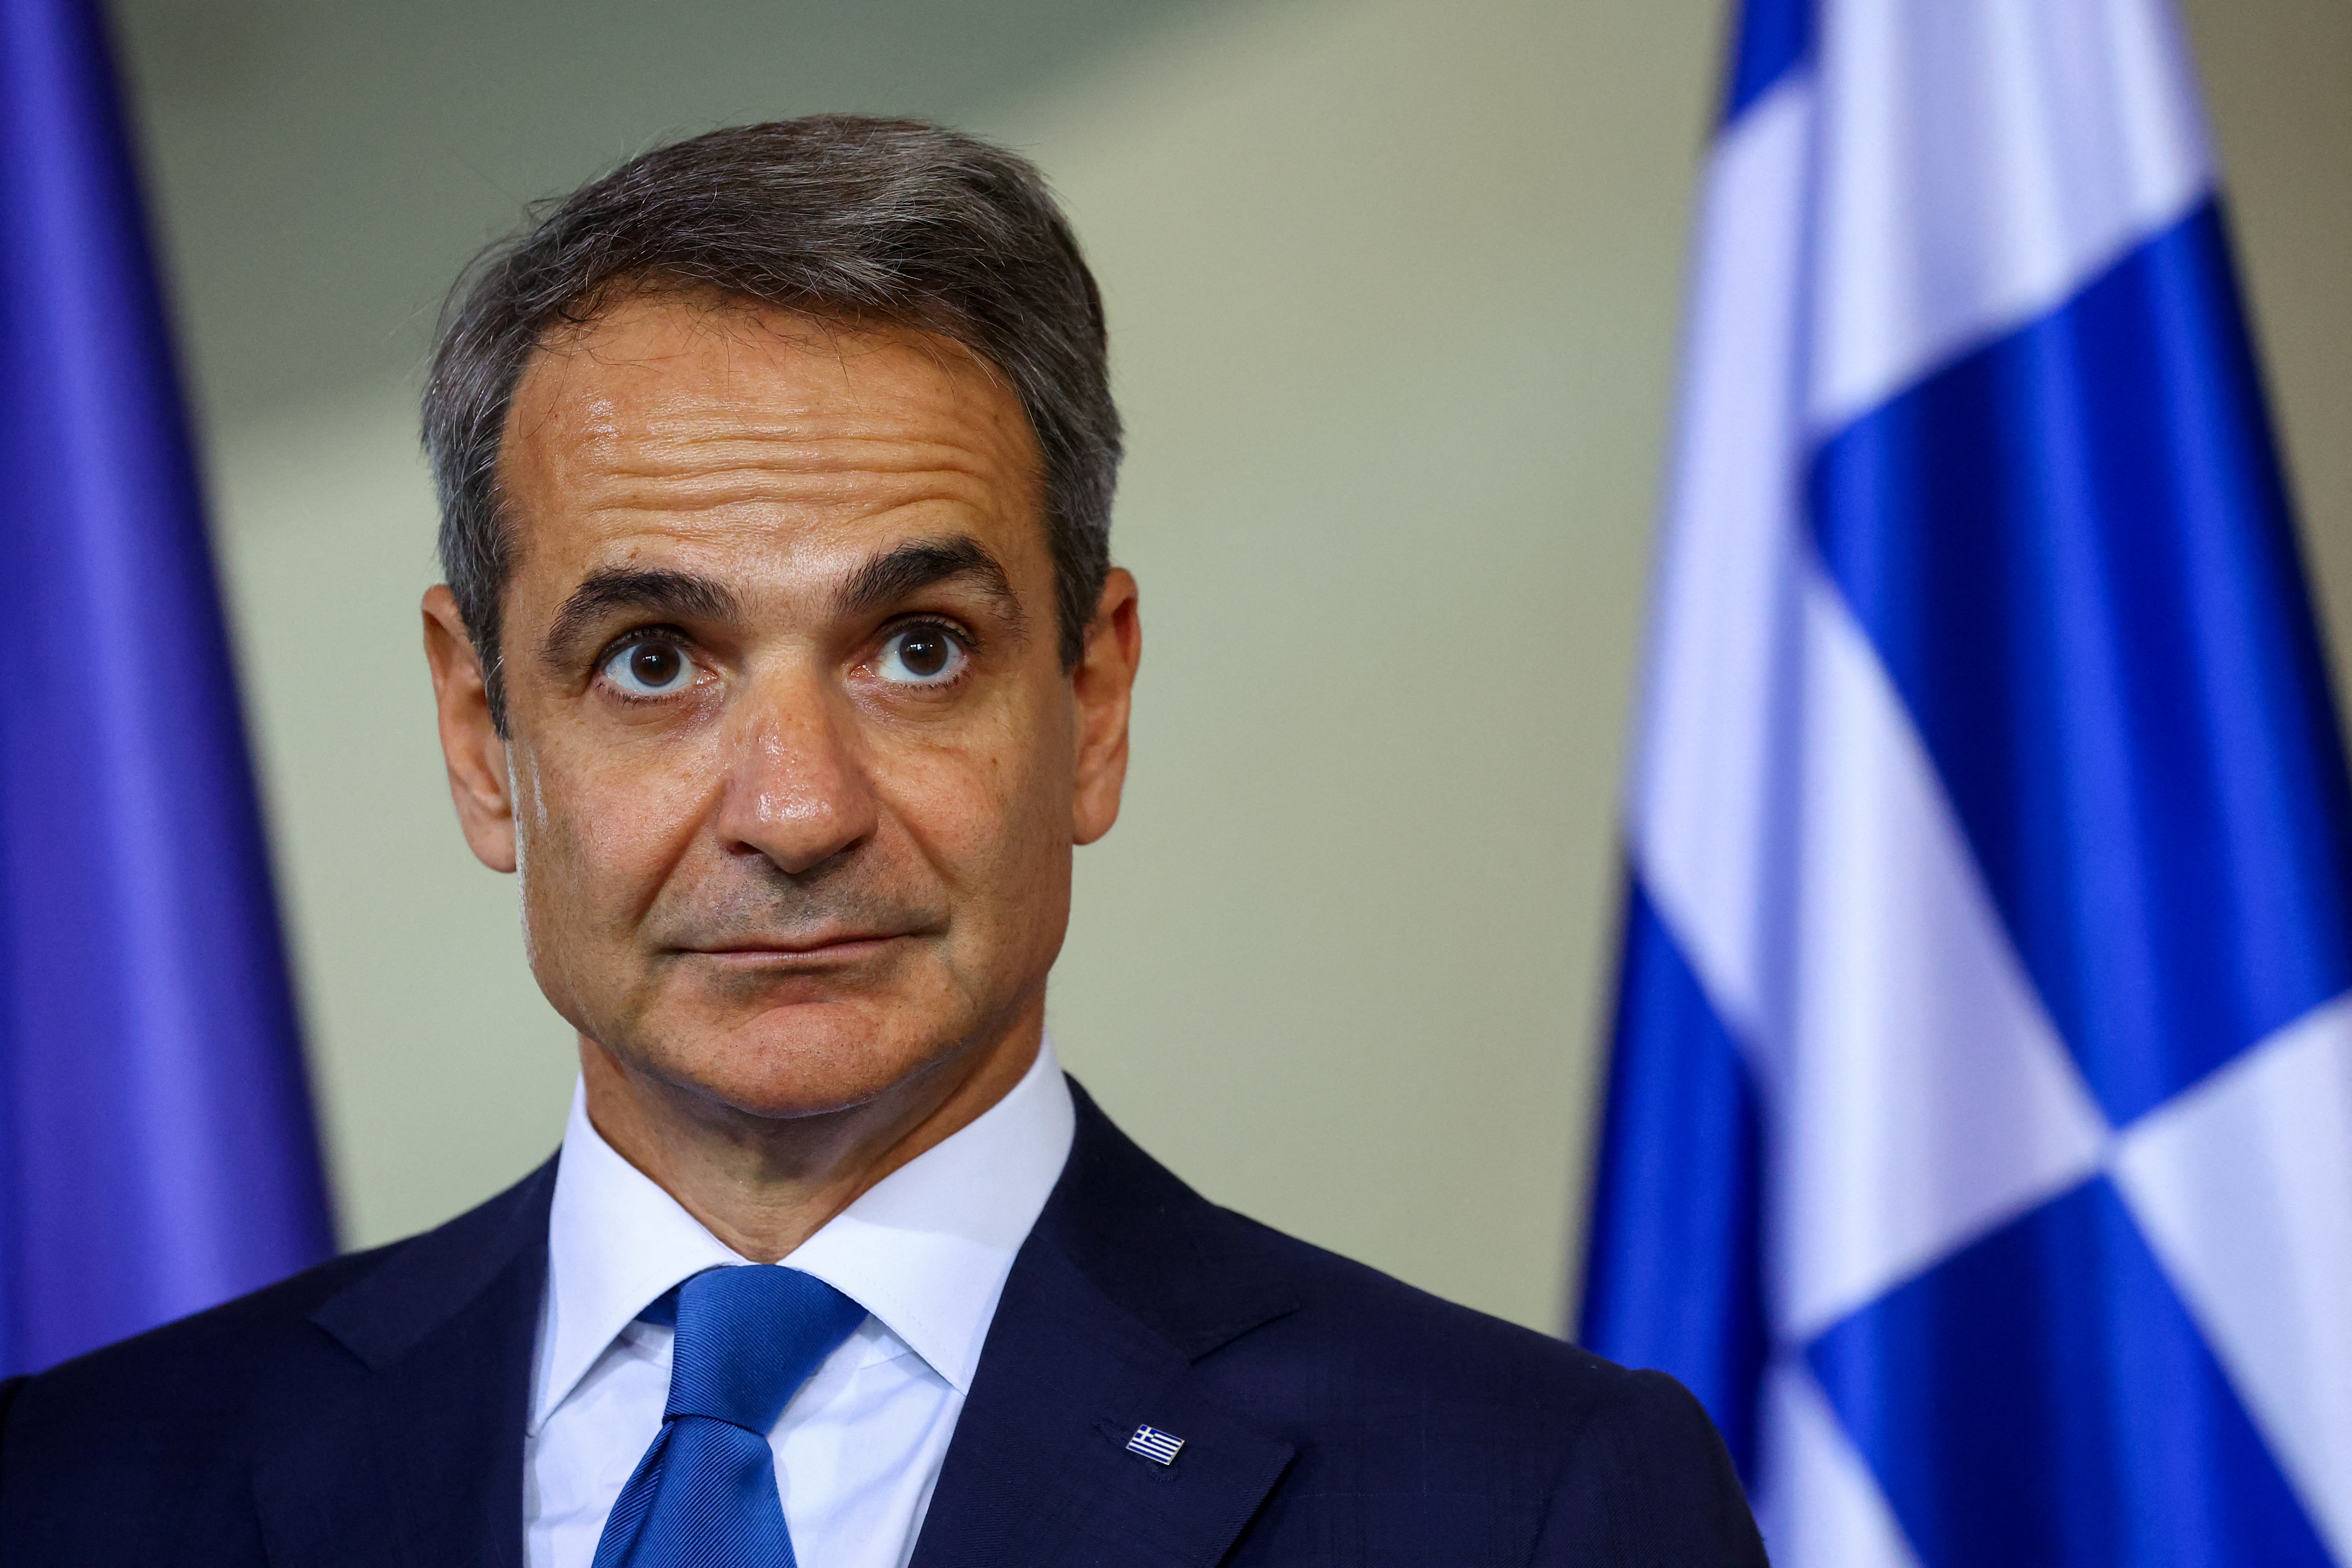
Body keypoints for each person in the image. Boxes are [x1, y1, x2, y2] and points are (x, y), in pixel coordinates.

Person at [0, 116, 1763, 1567]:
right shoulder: (75, 1490)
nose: (795, 809)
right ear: (483, 736)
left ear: (1095, 697)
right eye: (654, 659)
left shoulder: (1536, 1502)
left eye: (916, 647)